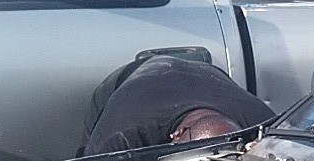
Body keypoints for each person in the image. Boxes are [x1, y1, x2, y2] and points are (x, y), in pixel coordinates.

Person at [83, 55, 275, 155]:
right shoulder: (122, 130)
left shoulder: (259, 120)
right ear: (177, 134)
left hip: (204, 76)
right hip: (131, 80)